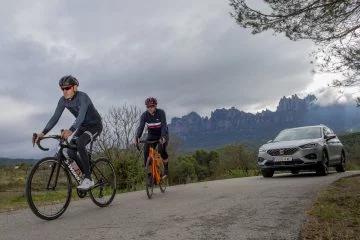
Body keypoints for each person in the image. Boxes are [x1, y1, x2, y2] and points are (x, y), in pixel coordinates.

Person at [33, 75, 103, 190]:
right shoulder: (63, 101)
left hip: (95, 125)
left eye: (67, 88)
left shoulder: (83, 97)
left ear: (75, 87)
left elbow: (80, 117)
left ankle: (89, 179)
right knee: (70, 151)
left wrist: (70, 130)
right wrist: (42, 133)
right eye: (62, 89)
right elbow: (55, 118)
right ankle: (87, 174)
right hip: (82, 127)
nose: (65, 91)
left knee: (80, 143)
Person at [136, 97, 169, 177]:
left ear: (155, 106)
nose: (150, 108)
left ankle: (166, 167)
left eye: (152, 106)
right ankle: (150, 175)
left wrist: (163, 137)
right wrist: (137, 137)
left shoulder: (161, 113)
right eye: (148, 107)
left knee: (161, 151)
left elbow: (164, 126)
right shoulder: (144, 115)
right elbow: (141, 127)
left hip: (162, 134)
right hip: (151, 135)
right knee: (146, 153)